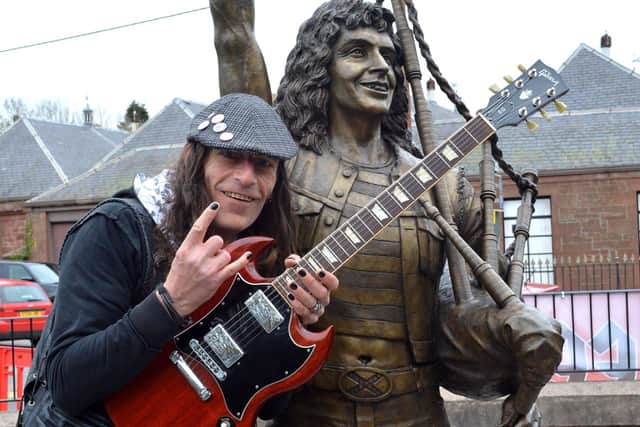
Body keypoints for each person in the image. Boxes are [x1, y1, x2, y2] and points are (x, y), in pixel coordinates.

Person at [211, 1, 563, 426]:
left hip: (418, 412)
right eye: (358, 52)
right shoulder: (281, 168)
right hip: (306, 412)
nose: (382, 67)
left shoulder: (445, 185)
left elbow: (490, 301)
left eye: (390, 56)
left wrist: (523, 356)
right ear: (321, 65)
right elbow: (235, 45)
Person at [18, 93, 339, 426]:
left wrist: (295, 321)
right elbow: (68, 384)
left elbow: (265, 404)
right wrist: (170, 304)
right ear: (196, 160)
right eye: (230, 156)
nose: (247, 177)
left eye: (264, 165)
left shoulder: (260, 256)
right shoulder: (115, 230)